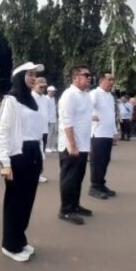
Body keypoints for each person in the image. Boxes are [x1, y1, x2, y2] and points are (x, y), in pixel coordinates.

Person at [0, 62, 44, 262]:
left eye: (35, 75)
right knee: (14, 202)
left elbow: (37, 133)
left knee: (27, 201)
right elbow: (3, 131)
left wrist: (40, 157)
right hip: (18, 155)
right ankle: (10, 244)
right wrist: (5, 163)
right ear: (19, 77)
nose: (33, 78)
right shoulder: (11, 101)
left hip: (33, 153)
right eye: (29, 74)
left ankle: (20, 239)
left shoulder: (33, 101)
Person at [57, 65, 93, 225]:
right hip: (71, 146)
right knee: (69, 179)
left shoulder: (85, 95)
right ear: (76, 78)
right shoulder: (69, 95)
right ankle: (65, 210)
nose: (89, 77)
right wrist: (72, 145)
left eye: (89, 75)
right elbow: (67, 122)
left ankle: (75, 206)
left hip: (83, 144)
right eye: (86, 75)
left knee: (78, 178)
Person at [89, 73, 118, 200]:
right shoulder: (95, 93)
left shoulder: (110, 96)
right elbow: (86, 108)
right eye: (109, 79)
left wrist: (114, 131)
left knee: (105, 161)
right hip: (98, 133)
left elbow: (111, 114)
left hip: (107, 133)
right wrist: (91, 116)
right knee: (97, 162)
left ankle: (101, 184)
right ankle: (94, 187)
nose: (112, 82)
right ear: (101, 80)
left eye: (113, 80)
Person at [32, 77, 50, 183]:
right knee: (34, 154)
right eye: (41, 86)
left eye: (44, 86)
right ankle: (32, 174)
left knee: (41, 154)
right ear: (35, 85)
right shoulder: (31, 97)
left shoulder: (45, 98)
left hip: (44, 130)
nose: (43, 88)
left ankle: (38, 174)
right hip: (34, 131)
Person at [46, 86, 58, 151]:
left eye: (54, 91)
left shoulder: (53, 98)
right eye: (52, 91)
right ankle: (47, 147)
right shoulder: (46, 98)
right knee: (49, 134)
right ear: (48, 91)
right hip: (48, 119)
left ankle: (53, 146)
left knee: (54, 133)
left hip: (54, 119)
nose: (53, 93)